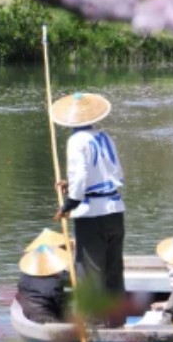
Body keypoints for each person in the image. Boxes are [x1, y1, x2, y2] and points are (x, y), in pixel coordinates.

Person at [51, 92, 125, 300]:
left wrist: (69, 205)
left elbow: (80, 174)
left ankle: (94, 322)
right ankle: (116, 318)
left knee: (89, 269)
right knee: (113, 268)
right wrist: (71, 184)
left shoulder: (76, 141)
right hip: (115, 209)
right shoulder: (105, 137)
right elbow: (112, 171)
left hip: (92, 213)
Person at [16, 244, 71, 324]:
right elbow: (60, 303)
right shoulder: (52, 284)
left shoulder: (25, 276)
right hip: (43, 316)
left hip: (29, 309)